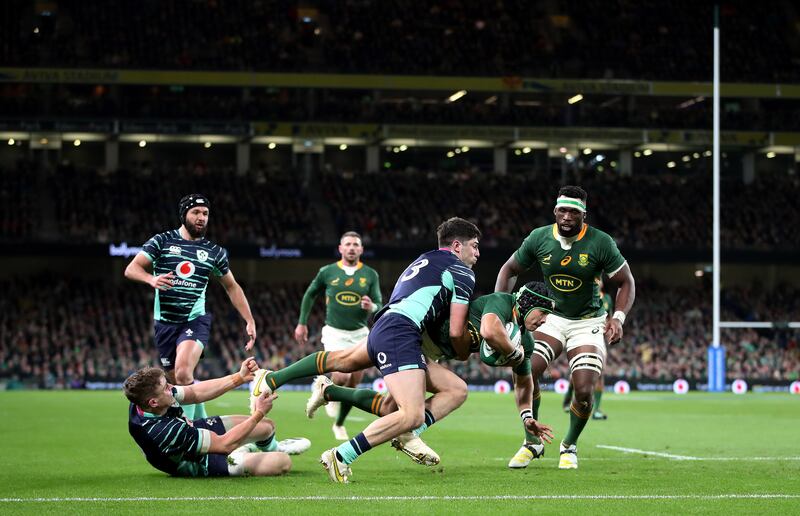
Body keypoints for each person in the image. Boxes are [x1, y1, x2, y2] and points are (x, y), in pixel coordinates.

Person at [253, 217, 481, 483]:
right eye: (474, 246)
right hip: (402, 333)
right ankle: (341, 456)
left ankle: (275, 379)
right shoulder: (463, 272)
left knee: (454, 389)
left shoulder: (425, 259)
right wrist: (467, 349)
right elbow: (456, 331)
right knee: (411, 414)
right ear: (456, 246)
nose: (477, 253)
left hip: (387, 324)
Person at [304, 281, 556, 470]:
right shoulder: (502, 303)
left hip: (428, 350)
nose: (544, 320)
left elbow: (524, 383)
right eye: (542, 313)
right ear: (527, 304)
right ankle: (349, 451)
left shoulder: (526, 342)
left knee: (389, 407)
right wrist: (514, 353)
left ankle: (328, 391)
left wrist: (526, 417)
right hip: (413, 337)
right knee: (454, 392)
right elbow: (489, 330)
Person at [495, 185, 635, 470]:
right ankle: (531, 442)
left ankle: (569, 445)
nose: (567, 216)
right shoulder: (539, 237)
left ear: (584, 214)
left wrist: (618, 317)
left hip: (588, 322)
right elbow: (508, 269)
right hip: (552, 317)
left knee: (584, 390)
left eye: (574, 211)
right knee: (527, 369)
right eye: (563, 210)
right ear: (555, 211)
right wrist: (502, 310)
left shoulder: (601, 242)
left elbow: (626, 281)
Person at [124, 194, 257, 421]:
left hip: (194, 319)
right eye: (196, 212)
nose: (201, 218)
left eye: (205, 214)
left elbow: (232, 287)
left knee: (184, 372)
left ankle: (188, 432)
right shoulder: (162, 241)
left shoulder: (214, 252)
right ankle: (202, 424)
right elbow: (131, 269)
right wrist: (151, 279)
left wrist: (249, 319)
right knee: (175, 381)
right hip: (164, 323)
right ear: (184, 214)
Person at [124, 357, 310, 477]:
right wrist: (259, 412)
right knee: (282, 462)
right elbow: (224, 444)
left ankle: (270, 446)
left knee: (267, 426)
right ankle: (244, 450)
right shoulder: (166, 432)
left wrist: (239, 377)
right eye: (165, 388)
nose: (170, 388)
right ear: (153, 403)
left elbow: (195, 392)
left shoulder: (145, 400)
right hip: (194, 461)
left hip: (188, 432)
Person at [294, 231, 382, 440]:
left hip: (360, 333)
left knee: (354, 384)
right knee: (342, 375)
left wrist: (372, 306)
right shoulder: (328, 271)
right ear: (340, 248)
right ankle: (329, 392)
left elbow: (379, 302)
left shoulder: (370, 274)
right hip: (334, 331)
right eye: (348, 244)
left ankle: (339, 424)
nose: (352, 248)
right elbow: (310, 294)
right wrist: (302, 323)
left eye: (355, 245)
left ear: (361, 249)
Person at [562, 277, 613, 420]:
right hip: (582, 335)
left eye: (599, 279)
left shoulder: (607, 298)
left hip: (599, 338)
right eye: (595, 279)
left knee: (600, 372)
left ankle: (596, 409)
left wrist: (610, 330)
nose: (597, 282)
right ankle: (568, 398)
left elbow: (609, 318)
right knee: (576, 372)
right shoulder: (583, 294)